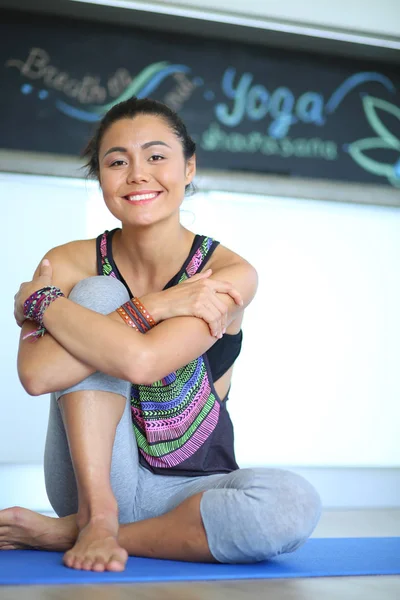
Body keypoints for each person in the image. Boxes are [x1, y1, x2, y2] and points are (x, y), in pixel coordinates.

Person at [0, 98, 321, 572]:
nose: (137, 174)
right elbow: (37, 373)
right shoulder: (68, 262)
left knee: (293, 503)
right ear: (100, 178)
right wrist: (154, 305)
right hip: (92, 479)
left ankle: (68, 531)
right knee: (97, 293)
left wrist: (43, 303)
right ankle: (98, 514)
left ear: (189, 168)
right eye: (116, 162)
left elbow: (144, 363)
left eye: (156, 156)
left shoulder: (228, 273)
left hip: (189, 489)